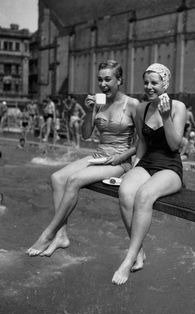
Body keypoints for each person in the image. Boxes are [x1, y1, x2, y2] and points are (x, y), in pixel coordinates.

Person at [26, 59, 139, 257]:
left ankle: (48, 233)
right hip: (99, 154)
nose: (103, 85)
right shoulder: (99, 103)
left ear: (119, 80)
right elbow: (86, 135)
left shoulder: (132, 105)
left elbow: (143, 142)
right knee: (56, 178)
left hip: (120, 161)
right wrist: (89, 112)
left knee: (74, 180)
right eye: (100, 80)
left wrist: (124, 156)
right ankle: (61, 236)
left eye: (108, 79)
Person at [112, 63, 186, 285]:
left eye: (155, 82)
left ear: (165, 83)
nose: (149, 87)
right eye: (146, 82)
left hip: (170, 167)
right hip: (148, 162)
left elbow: (174, 146)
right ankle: (139, 251)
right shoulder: (140, 108)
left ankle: (128, 259)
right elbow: (142, 142)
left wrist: (166, 118)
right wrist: (135, 169)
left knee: (144, 196)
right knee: (125, 192)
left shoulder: (178, 107)